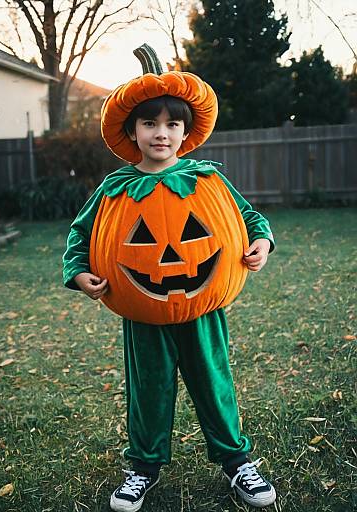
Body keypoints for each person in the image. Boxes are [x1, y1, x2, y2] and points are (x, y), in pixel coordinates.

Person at [63, 45, 276, 511]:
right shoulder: (114, 190)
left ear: (185, 131)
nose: (162, 133)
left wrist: (261, 242)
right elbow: (80, 237)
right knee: (149, 391)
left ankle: (237, 462)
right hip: (143, 312)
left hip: (203, 311)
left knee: (213, 382)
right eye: (150, 124)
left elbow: (250, 219)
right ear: (133, 130)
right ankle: (142, 467)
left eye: (172, 124)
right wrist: (78, 271)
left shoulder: (209, 180)